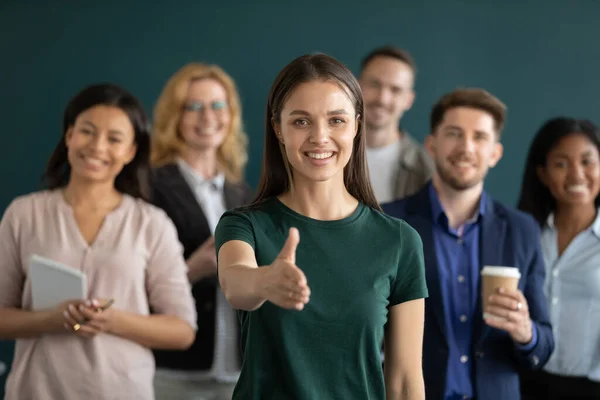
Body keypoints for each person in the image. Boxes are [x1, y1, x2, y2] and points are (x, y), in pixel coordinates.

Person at [215, 53, 428, 399]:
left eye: (336, 121)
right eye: (301, 121)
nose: (320, 136)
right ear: (278, 128)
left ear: (357, 126)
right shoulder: (245, 225)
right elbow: (234, 282)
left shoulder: (399, 240)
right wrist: (265, 281)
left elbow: (405, 381)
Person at [0, 83, 197, 400]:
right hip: (35, 391)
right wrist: (51, 319)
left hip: (122, 391)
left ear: (131, 151)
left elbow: (182, 331)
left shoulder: (151, 223)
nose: (97, 146)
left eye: (114, 139)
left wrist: (112, 320)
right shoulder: (23, 214)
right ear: (69, 136)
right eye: (87, 131)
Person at [382, 88, 554, 400]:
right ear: (431, 144)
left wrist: (525, 331)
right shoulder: (389, 223)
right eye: (454, 134)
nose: (466, 147)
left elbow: (544, 345)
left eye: (479, 137)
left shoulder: (521, 229)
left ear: (495, 153)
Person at [150, 63, 253, 399]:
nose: (207, 116)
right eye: (193, 106)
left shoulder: (242, 193)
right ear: (174, 117)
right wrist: (193, 269)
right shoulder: (150, 187)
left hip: (237, 369)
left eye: (217, 105)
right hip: (174, 368)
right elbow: (126, 286)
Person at [517, 117, 600, 399]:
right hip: (527, 380)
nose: (576, 175)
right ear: (542, 173)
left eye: (588, 162)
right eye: (561, 164)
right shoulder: (525, 235)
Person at [358, 46, 433, 203]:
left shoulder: (425, 169)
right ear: (356, 86)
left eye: (395, 90)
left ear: (409, 100)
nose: (382, 99)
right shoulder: (326, 152)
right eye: (374, 84)